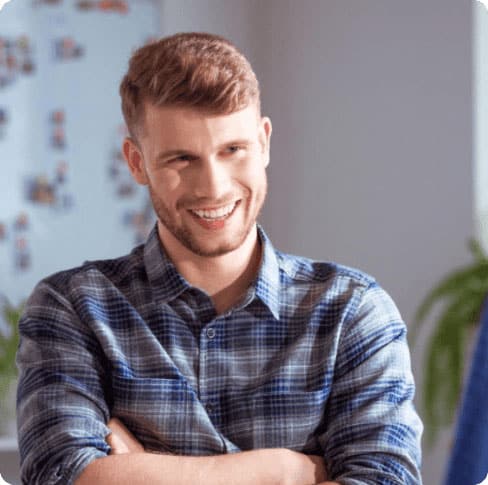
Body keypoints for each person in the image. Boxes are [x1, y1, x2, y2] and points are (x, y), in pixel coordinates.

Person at [16, 32, 423, 485]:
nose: (213, 186)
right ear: (136, 162)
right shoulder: (74, 308)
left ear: (264, 143)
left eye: (233, 150)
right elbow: (60, 475)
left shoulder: (352, 311)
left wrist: (135, 470)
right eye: (181, 159)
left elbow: (386, 480)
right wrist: (284, 470)